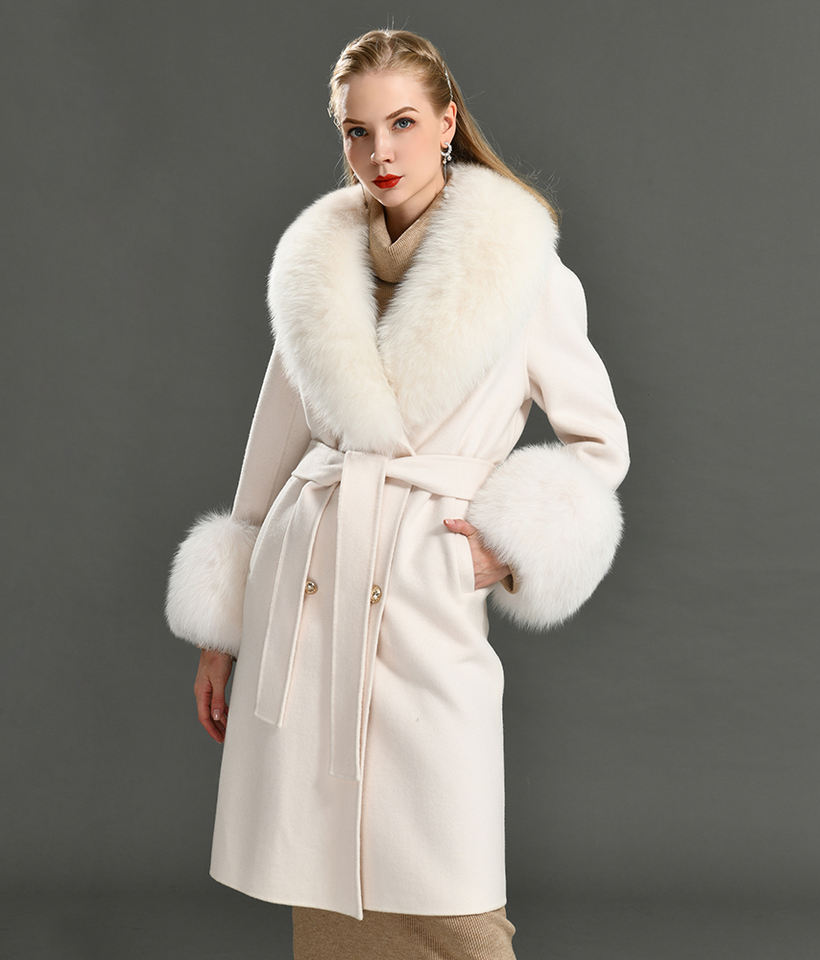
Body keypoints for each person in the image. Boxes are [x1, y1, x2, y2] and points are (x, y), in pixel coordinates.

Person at [165, 27, 630, 960]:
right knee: (324, 889)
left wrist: (504, 546)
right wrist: (224, 626)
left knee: (449, 897)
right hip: (307, 588)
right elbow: (271, 451)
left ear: (448, 123)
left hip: (421, 588)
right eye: (358, 130)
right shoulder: (317, 267)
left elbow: (599, 444)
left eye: (404, 123)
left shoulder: (521, 268)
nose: (381, 151)